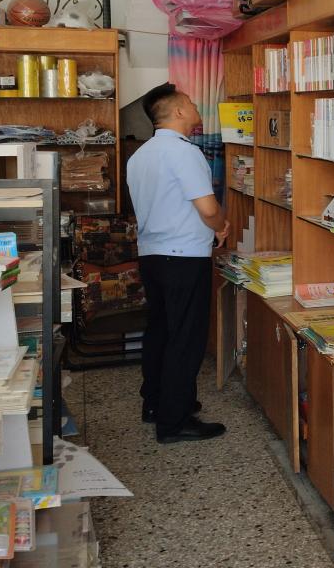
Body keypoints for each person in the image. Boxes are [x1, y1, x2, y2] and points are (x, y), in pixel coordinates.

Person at [126, 83, 229, 444]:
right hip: (184, 257)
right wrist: (222, 226)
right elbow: (208, 209)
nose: (196, 106)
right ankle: (175, 421)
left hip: (152, 255)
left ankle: (155, 404)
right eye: (190, 102)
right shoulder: (185, 153)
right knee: (185, 338)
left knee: (160, 332)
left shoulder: (140, 155)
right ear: (179, 111)